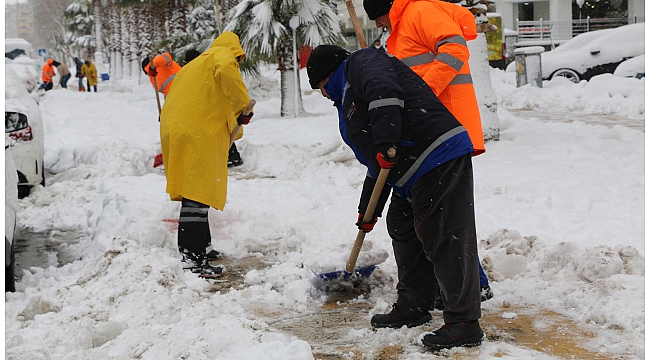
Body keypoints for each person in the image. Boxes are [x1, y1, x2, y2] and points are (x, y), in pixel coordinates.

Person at [306, 45, 484, 351]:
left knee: (444, 235)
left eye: (321, 87)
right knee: (402, 225)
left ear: (329, 75)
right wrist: (367, 210)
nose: (323, 95)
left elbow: (385, 92)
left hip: (435, 154)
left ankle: (464, 323)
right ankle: (414, 305)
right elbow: (378, 162)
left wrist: (387, 140)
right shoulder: (349, 96)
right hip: (411, 169)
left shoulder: (362, 62)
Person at [363, 0, 494, 304]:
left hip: (445, 129)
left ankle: (473, 285)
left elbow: (455, 50)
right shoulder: (400, 28)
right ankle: (468, 283)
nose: (380, 26)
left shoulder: (421, 13)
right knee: (442, 216)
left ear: (384, 9)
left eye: (378, 20)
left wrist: (422, 91)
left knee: (448, 218)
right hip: (432, 131)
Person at [159, 32, 253, 278]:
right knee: (197, 194)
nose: (237, 61)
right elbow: (227, 71)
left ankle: (203, 247)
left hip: (180, 129)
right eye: (238, 57)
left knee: (196, 191)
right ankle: (193, 260)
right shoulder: (221, 55)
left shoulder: (197, 65)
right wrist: (242, 106)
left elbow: (209, 98)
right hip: (195, 132)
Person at [184, 48, 244, 168]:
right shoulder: (203, 67)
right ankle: (230, 157)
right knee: (217, 131)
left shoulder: (193, 71)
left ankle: (228, 157)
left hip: (207, 107)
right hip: (207, 107)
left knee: (214, 132)